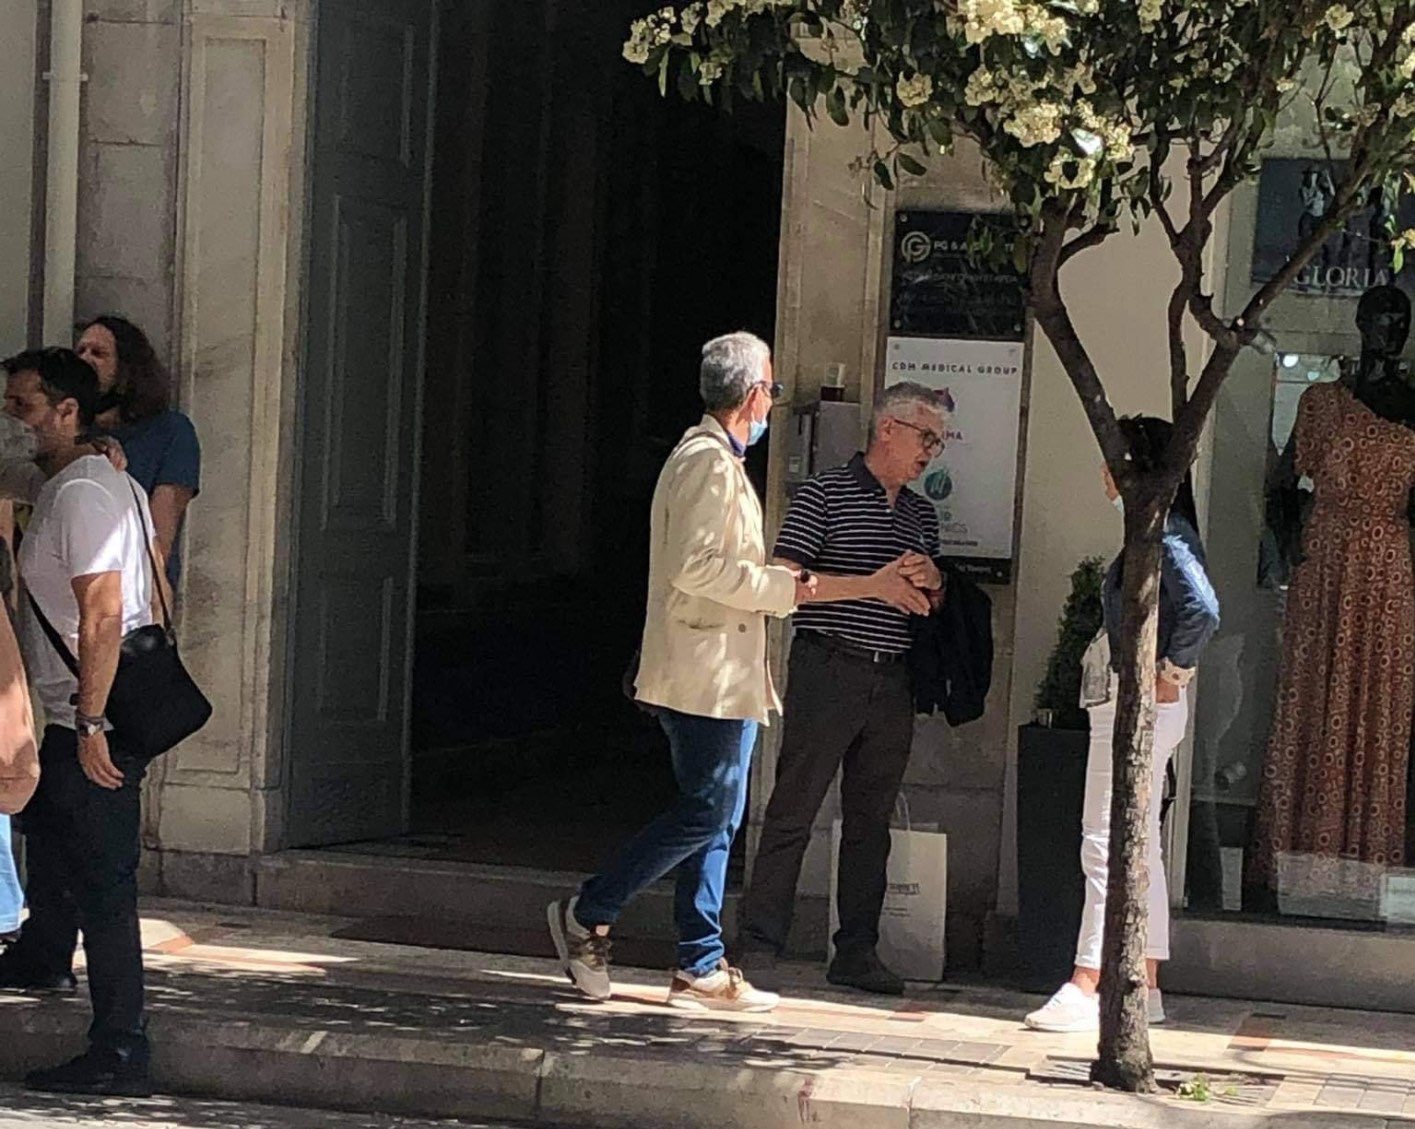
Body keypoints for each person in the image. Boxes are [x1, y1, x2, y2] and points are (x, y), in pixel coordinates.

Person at [546, 333, 924, 1011]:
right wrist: (783, 588)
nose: (773, 404)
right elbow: (697, 568)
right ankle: (591, 909)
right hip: (705, 674)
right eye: (771, 392)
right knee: (709, 809)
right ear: (752, 395)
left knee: (717, 820)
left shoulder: (716, 460)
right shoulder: (706, 464)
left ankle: (698, 962)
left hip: (725, 674)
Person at [736, 381, 948, 995]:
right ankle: (759, 944)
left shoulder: (921, 515)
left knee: (870, 822)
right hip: (829, 665)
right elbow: (783, 580)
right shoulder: (823, 493)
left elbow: (931, 607)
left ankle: (856, 951)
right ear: (888, 429)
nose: (930, 452)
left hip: (894, 677)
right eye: (925, 437)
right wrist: (872, 585)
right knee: (794, 807)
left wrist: (935, 583)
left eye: (938, 442)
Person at [0, 347, 161, 1095]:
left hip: (93, 715)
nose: (13, 418)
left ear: (67, 411)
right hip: (74, 711)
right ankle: (42, 953)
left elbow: (103, 610)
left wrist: (93, 721)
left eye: (24, 405)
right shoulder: (74, 479)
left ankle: (121, 1045)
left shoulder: (86, 493)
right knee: (54, 837)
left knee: (104, 881)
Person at [1025, 415, 1219, 1034]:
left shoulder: (1163, 533)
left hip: (1136, 701)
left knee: (1106, 838)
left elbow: (1203, 608)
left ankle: (1091, 978)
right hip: (1139, 700)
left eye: (1118, 459)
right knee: (1138, 843)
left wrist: (1172, 671)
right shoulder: (1160, 531)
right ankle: (1144, 980)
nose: (1107, 473)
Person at [76, 316, 199, 585]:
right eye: (81, 351)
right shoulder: (74, 433)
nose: (86, 360)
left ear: (126, 367)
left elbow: (159, 537)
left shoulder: (170, 431)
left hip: (130, 591)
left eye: (98, 353)